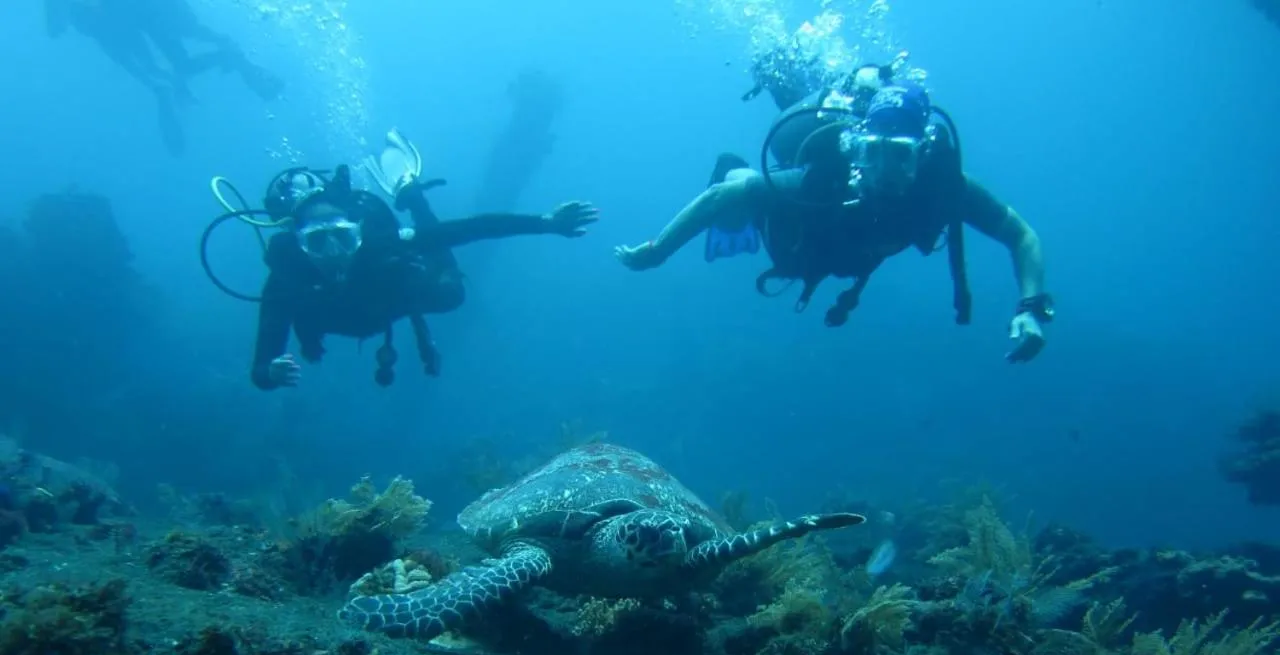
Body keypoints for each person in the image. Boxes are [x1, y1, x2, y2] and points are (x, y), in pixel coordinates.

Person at [614, 78, 1053, 363]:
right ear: (857, 148)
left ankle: (791, 81)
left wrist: (1030, 306)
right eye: (872, 151)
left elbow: (1022, 236)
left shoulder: (947, 187)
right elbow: (718, 197)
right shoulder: (823, 180)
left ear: (922, 151)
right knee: (739, 198)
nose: (883, 169)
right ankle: (740, 159)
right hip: (789, 236)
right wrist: (658, 252)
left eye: (899, 154)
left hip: (845, 254)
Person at [250, 130, 599, 391]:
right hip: (351, 316)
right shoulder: (286, 279)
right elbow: (261, 365)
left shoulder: (377, 244)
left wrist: (545, 223)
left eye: (342, 237)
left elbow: (467, 230)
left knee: (452, 292)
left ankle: (410, 194)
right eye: (317, 242)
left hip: (392, 299)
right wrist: (271, 373)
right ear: (298, 245)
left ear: (356, 231)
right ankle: (409, 194)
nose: (334, 252)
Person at [44, 0, 282, 156]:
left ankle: (229, 60)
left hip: (129, 19)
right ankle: (231, 59)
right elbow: (56, 26)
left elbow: (55, 28)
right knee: (175, 66)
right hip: (127, 21)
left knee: (172, 67)